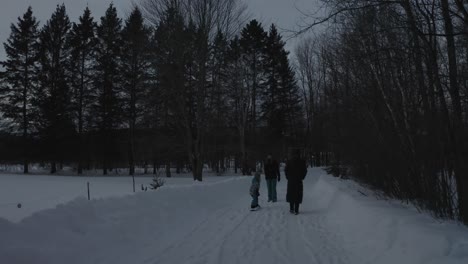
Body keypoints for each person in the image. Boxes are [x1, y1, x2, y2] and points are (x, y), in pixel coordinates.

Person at [285, 149, 307, 215]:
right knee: (297, 194)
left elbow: (286, 170)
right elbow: (305, 171)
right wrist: (302, 177)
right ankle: (296, 210)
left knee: (291, 194)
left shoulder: (289, 161)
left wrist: (288, 177)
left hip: (291, 180)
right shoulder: (302, 161)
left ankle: (291, 208)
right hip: (298, 180)